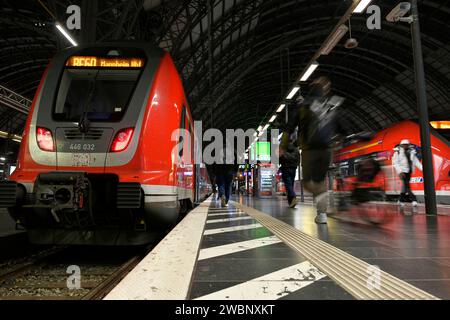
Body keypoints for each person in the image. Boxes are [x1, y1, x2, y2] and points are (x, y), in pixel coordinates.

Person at [281, 76, 345, 224]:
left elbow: (289, 127)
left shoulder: (303, 105)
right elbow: (342, 128)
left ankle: (322, 199)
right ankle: (322, 213)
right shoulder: (332, 105)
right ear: (326, 89)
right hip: (326, 149)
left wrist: (284, 146)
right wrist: (338, 141)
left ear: (312, 87)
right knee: (320, 180)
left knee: (308, 183)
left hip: (309, 149)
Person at [392, 139, 423, 207]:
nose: (405, 146)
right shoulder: (398, 152)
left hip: (409, 171)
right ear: (401, 145)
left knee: (405, 186)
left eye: (407, 144)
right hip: (402, 172)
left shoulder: (411, 152)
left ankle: (400, 200)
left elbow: (416, 162)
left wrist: (423, 169)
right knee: (407, 185)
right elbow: (395, 163)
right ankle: (414, 200)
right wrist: (400, 171)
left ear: (408, 145)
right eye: (404, 144)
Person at [279, 139, 300, 208]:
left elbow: (279, 158)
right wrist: (295, 165)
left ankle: (293, 198)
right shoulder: (296, 149)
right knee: (291, 184)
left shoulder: (283, 148)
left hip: (285, 168)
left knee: (288, 185)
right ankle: (291, 202)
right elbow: (298, 159)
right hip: (293, 168)